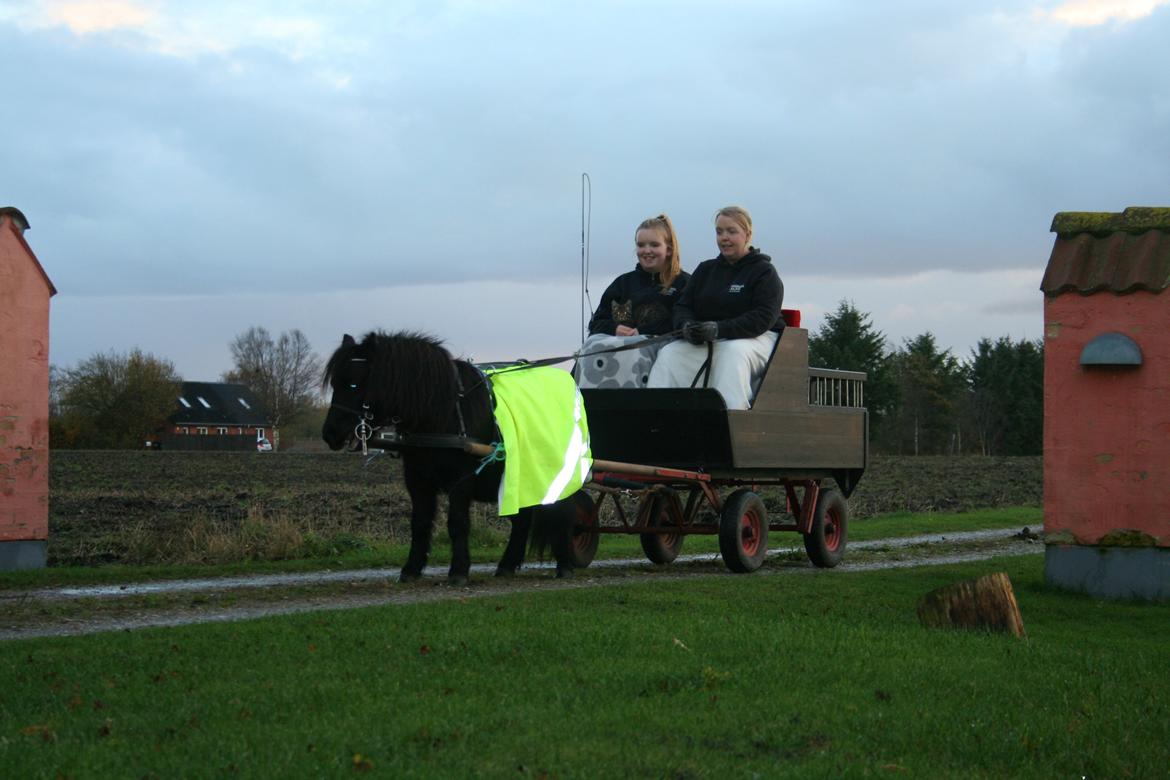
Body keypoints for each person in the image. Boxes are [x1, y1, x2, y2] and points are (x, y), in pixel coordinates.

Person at [647, 205, 783, 409]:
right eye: (719, 232)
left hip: (755, 338)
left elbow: (763, 317)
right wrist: (687, 326)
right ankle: (658, 414)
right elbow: (683, 306)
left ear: (747, 234)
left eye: (731, 231)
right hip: (710, 338)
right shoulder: (705, 270)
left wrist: (720, 329)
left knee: (733, 353)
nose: (724, 237)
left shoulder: (764, 272)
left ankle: (731, 417)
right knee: (671, 353)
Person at [574, 214, 690, 388]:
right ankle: (589, 402)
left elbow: (683, 322)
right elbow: (597, 323)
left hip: (659, 348)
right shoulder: (623, 284)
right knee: (592, 344)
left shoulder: (685, 283)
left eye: (654, 245)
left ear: (670, 249)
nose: (647, 250)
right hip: (617, 346)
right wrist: (615, 329)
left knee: (635, 349)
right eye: (641, 245)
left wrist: (641, 331)